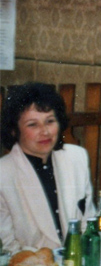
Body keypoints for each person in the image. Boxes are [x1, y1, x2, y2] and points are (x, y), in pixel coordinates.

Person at [0, 83, 95, 253]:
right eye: (32, 125)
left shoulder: (76, 158)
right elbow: (8, 246)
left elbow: (89, 222)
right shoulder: (4, 173)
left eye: (50, 121)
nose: (45, 132)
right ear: (14, 130)